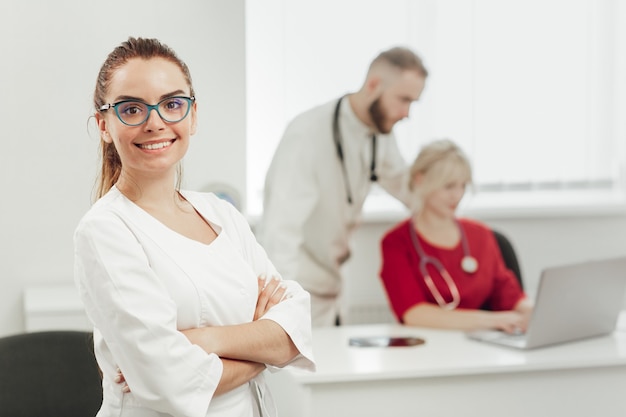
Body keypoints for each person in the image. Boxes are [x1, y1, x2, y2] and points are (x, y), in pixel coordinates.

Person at [74, 37, 315, 417]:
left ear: (193, 115)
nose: (155, 123)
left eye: (172, 104)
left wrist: (203, 340)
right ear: (104, 124)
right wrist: (263, 347)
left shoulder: (222, 214)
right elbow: (168, 381)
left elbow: (296, 322)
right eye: (131, 108)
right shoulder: (105, 231)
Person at [258, 46, 429, 327]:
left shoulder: (379, 133)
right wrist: (282, 310)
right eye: (403, 99)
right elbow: (280, 230)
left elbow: (405, 186)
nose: (407, 113)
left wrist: (439, 192)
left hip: (335, 286)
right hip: (297, 290)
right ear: (373, 85)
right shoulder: (307, 133)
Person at [379, 139, 533, 333]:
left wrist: (532, 311)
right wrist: (493, 320)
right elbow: (415, 314)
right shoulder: (396, 243)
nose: (457, 195)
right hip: (428, 350)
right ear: (420, 180)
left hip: (480, 348)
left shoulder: (481, 235)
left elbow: (510, 295)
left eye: (463, 186)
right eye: (449, 186)